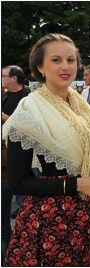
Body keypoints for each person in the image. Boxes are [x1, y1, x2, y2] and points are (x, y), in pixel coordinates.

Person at [2, 33, 90, 266]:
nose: (65, 66)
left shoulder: (82, 108)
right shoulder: (30, 110)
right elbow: (19, 182)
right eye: (56, 60)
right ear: (40, 67)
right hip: (53, 221)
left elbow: (78, 162)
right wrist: (78, 183)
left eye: (71, 60)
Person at [1, 65, 31, 265]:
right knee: (4, 201)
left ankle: (24, 241)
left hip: (25, 161)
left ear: (14, 78)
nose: (2, 79)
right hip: (4, 159)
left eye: (4, 76)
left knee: (25, 203)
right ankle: (6, 240)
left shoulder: (29, 99)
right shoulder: (4, 97)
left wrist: (6, 119)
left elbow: (31, 127)